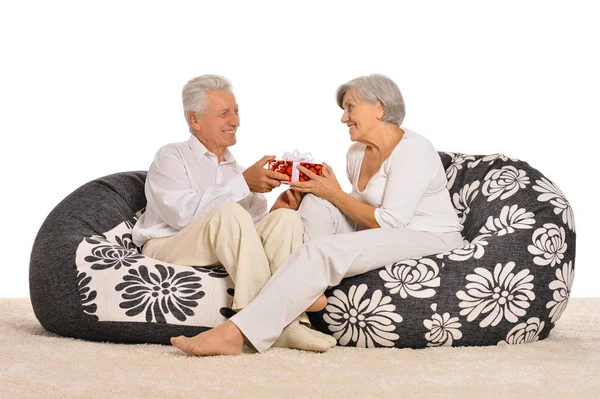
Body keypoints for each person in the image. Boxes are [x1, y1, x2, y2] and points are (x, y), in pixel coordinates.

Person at [170, 74, 464, 356]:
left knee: (322, 250)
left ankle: (236, 333)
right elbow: (363, 211)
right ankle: (304, 288)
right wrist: (322, 192)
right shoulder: (356, 153)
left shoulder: (414, 150)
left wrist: (333, 193)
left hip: (427, 236)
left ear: (380, 108)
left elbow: (390, 221)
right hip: (386, 230)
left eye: (350, 107)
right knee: (313, 202)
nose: (343, 118)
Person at [132, 74, 334, 352]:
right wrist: (243, 184)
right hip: (167, 245)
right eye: (224, 113)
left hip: (217, 245)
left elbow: (246, 232)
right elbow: (182, 215)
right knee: (228, 213)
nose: (236, 121)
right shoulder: (171, 156)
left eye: (236, 111)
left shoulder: (233, 167)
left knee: (285, 220)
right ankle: (260, 324)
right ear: (195, 120)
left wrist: (278, 208)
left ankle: (292, 323)